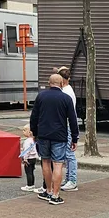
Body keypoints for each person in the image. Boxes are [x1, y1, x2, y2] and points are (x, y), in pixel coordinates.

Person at [29, 74, 78, 205]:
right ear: (61, 83)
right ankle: (56, 195)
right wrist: (74, 138)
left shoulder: (41, 96)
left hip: (43, 135)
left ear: (49, 83)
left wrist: (34, 133)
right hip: (60, 136)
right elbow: (73, 120)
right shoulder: (66, 98)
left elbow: (34, 116)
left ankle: (48, 190)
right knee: (58, 164)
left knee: (45, 162)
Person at [57, 66, 79, 192]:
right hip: (68, 124)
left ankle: (72, 180)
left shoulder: (66, 92)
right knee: (67, 153)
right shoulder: (68, 90)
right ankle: (69, 179)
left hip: (67, 125)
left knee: (69, 154)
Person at [19, 126, 40, 192]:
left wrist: (25, 159)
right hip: (33, 158)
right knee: (31, 172)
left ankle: (30, 185)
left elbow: (27, 151)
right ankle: (32, 184)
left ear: (29, 132)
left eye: (24, 130)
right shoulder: (33, 140)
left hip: (28, 158)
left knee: (28, 172)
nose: (23, 132)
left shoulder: (27, 141)